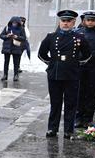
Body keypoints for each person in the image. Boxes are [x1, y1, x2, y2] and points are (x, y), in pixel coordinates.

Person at [38, 10, 91, 139]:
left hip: (71, 74)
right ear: (59, 22)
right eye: (63, 21)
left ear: (74, 23)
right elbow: (41, 53)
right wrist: (52, 64)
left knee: (71, 103)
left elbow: (87, 54)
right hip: (55, 74)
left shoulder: (79, 37)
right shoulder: (51, 37)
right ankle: (52, 128)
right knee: (55, 103)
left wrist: (76, 64)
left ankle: (68, 129)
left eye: (68, 21)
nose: (65, 24)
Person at [0, 17, 28, 82]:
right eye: (13, 23)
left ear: (18, 23)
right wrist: (7, 36)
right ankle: (5, 75)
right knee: (6, 62)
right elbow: (1, 35)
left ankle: (16, 75)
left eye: (15, 23)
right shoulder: (7, 27)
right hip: (7, 47)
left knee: (16, 62)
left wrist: (17, 37)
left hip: (16, 47)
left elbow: (24, 38)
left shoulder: (21, 28)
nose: (14, 24)